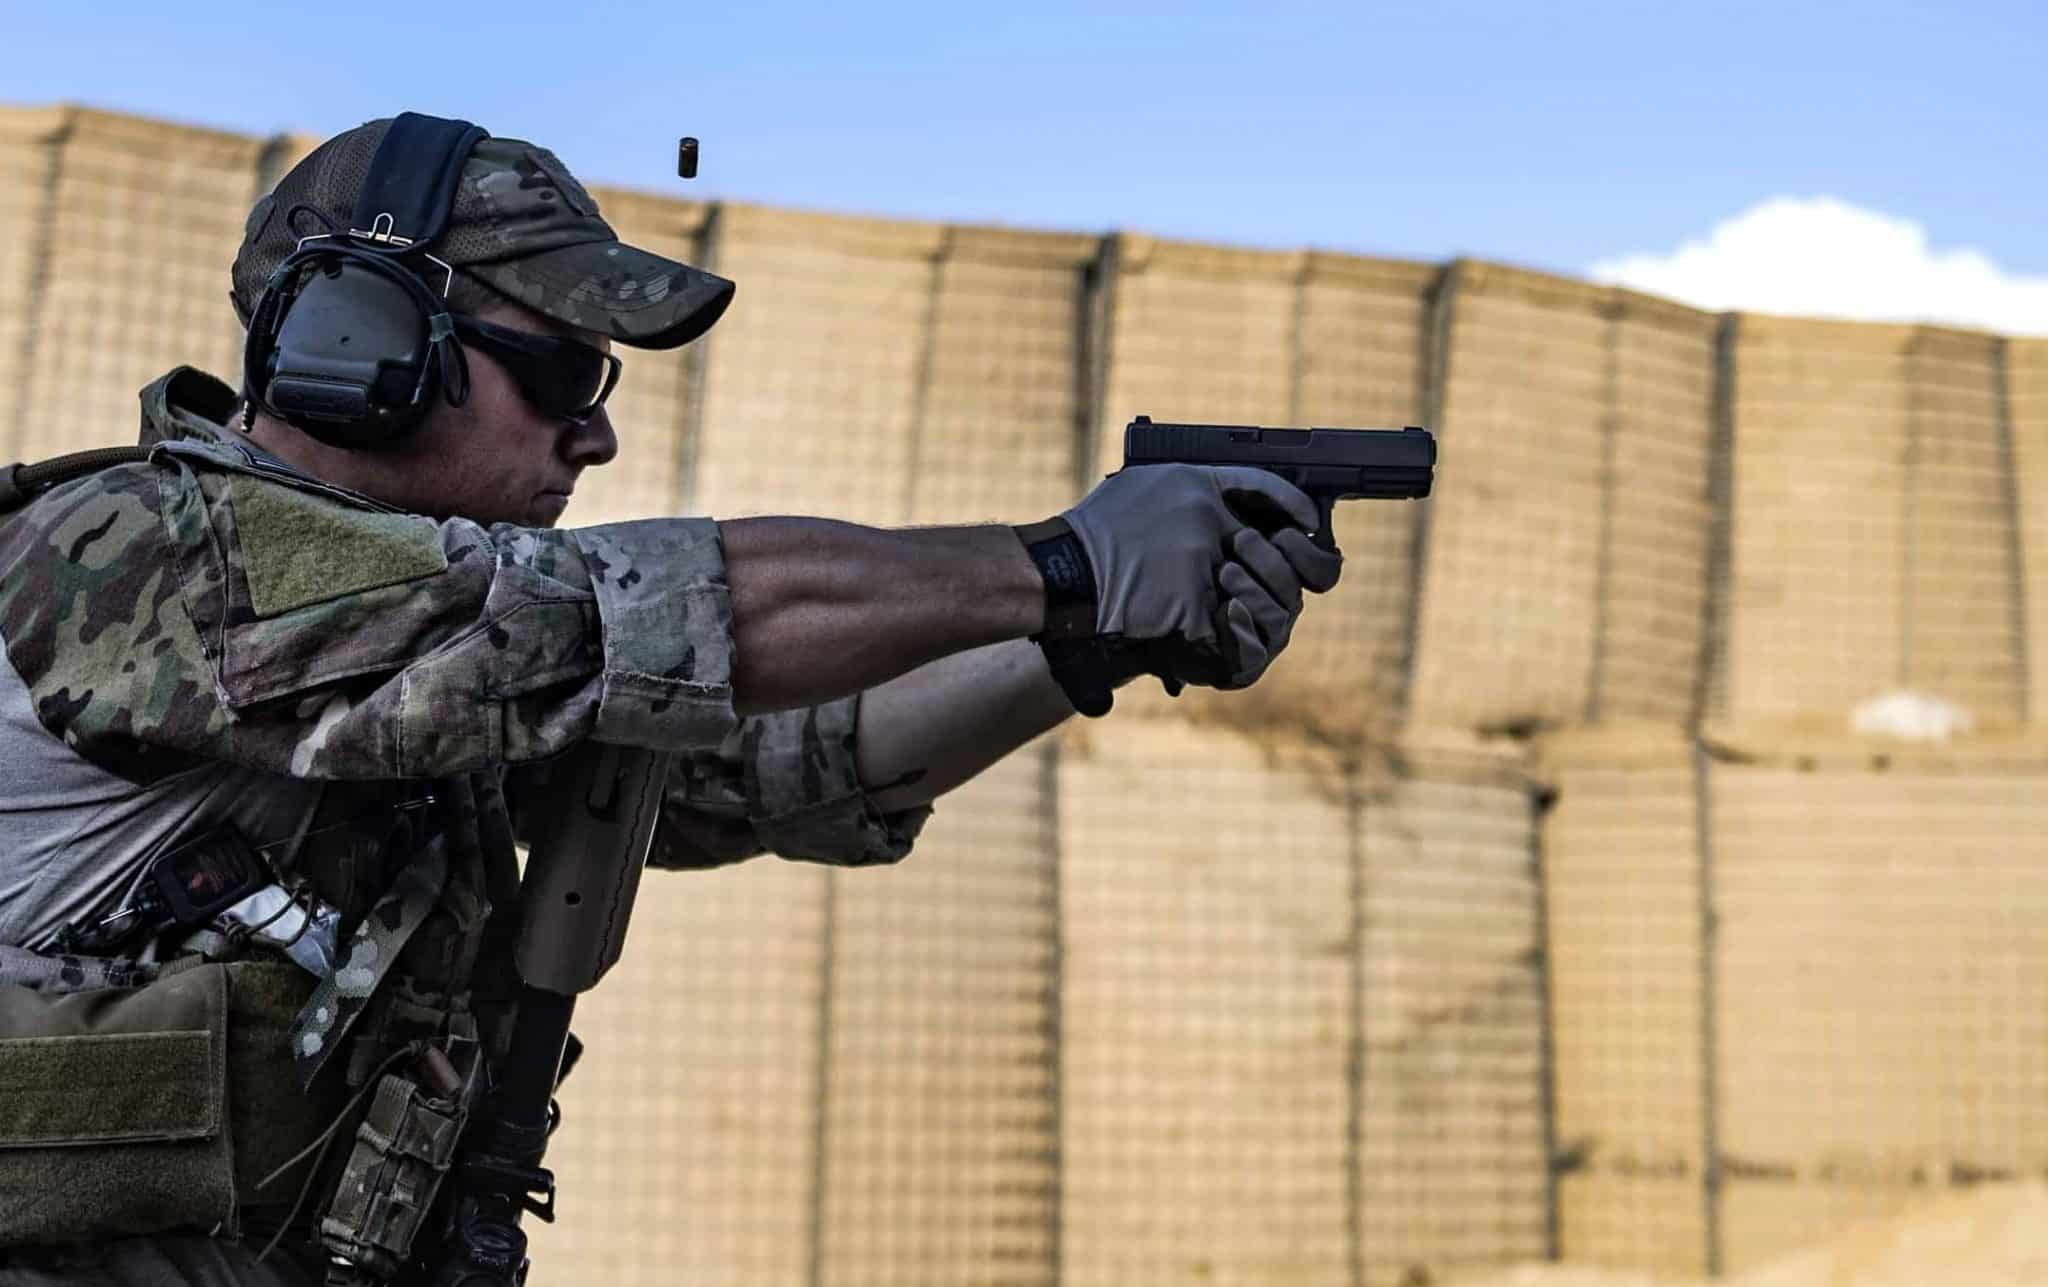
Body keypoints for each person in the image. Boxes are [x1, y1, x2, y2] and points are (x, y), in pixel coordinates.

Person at [0, 115, 1342, 1285]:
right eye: (565, 376)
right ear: (369, 343)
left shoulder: (408, 657)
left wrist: (1085, 644)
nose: (597, 435)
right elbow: (628, 618)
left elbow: (756, 769)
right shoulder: (138, 556)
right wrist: (1057, 567)